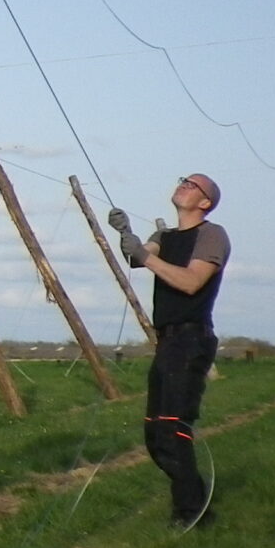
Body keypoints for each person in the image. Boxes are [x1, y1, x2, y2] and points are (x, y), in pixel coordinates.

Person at [110, 174, 230, 527]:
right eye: (183, 181)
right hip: (167, 342)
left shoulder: (212, 235)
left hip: (192, 340)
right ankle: (192, 500)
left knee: (173, 429)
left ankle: (192, 513)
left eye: (192, 185)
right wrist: (125, 236)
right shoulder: (163, 236)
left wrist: (144, 258)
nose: (182, 185)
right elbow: (139, 257)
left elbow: (191, 282)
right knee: (155, 433)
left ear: (205, 202)